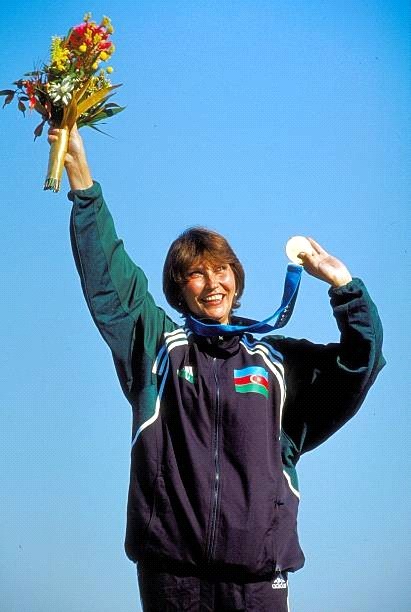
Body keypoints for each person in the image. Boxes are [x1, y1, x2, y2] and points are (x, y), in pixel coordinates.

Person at [49, 125, 385, 611]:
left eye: (221, 269)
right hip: (172, 576)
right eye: (196, 273)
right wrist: (81, 178)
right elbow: (111, 281)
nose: (212, 283)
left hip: (258, 580)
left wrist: (343, 285)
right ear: (178, 288)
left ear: (237, 279)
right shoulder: (159, 348)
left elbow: (359, 364)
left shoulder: (275, 364)